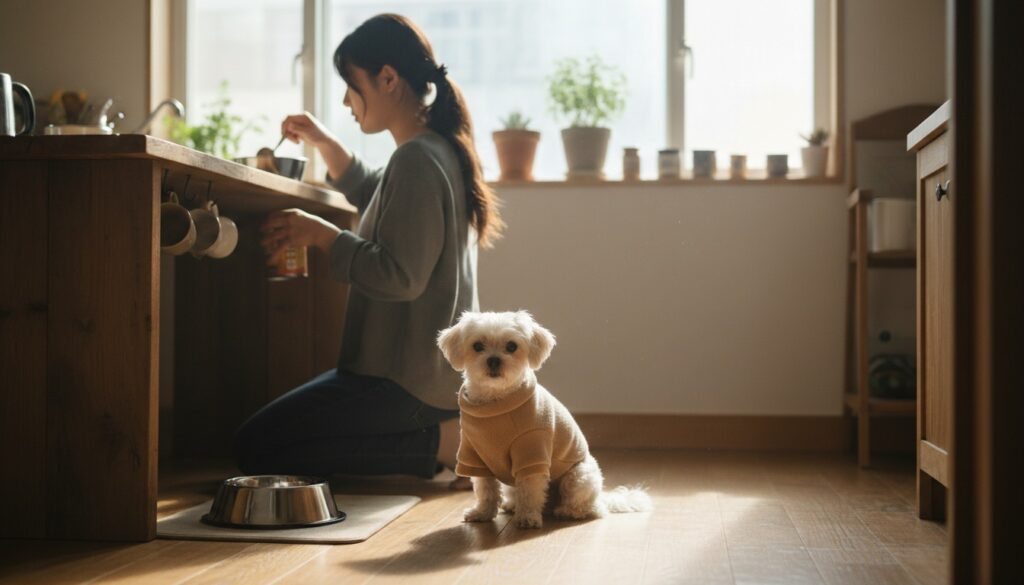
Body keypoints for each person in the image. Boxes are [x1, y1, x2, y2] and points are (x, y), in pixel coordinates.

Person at [233, 13, 503, 482]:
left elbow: (401, 277)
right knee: (273, 438)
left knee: (256, 446)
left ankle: (444, 444)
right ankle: (441, 440)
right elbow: (372, 189)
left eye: (350, 85)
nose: (345, 100)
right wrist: (322, 140)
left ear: (388, 80)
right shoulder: (431, 151)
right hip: (415, 376)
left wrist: (323, 236)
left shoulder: (417, 160)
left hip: (404, 382)